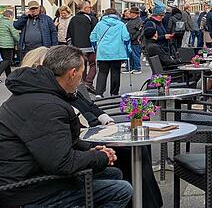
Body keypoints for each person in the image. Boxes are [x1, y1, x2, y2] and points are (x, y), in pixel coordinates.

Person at [0, 45, 133, 208]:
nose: (81, 80)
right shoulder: (48, 106)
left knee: (114, 174)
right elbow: (61, 163)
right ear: (72, 73)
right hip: (25, 190)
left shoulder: (34, 92)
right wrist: (101, 157)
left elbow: (53, 143)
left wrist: (91, 151)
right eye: (82, 73)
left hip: (24, 176)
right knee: (121, 190)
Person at [90, 8, 131, 98]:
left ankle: (99, 92)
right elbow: (126, 37)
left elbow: (92, 37)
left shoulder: (100, 24)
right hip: (117, 52)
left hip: (103, 52)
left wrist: (95, 47)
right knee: (115, 72)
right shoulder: (121, 24)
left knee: (102, 72)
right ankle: (114, 92)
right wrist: (128, 49)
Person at [66, 1, 98, 88]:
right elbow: (96, 32)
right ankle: (88, 82)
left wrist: (71, 45)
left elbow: (69, 33)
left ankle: (82, 83)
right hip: (90, 46)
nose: (90, 9)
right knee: (94, 64)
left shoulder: (73, 19)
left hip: (77, 47)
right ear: (85, 8)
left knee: (81, 66)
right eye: (89, 7)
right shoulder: (91, 18)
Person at [123, 6, 144, 74]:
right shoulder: (131, 20)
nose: (129, 14)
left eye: (131, 12)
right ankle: (130, 67)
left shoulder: (139, 21)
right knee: (130, 55)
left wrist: (133, 37)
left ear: (134, 14)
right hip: (129, 40)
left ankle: (137, 68)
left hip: (135, 41)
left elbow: (140, 31)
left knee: (135, 55)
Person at [0, 9, 19, 80]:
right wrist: (19, 41)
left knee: (5, 61)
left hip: (1, 45)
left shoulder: (0, 21)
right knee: (7, 60)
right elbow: (15, 34)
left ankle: (9, 77)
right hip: (7, 45)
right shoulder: (9, 23)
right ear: (10, 16)